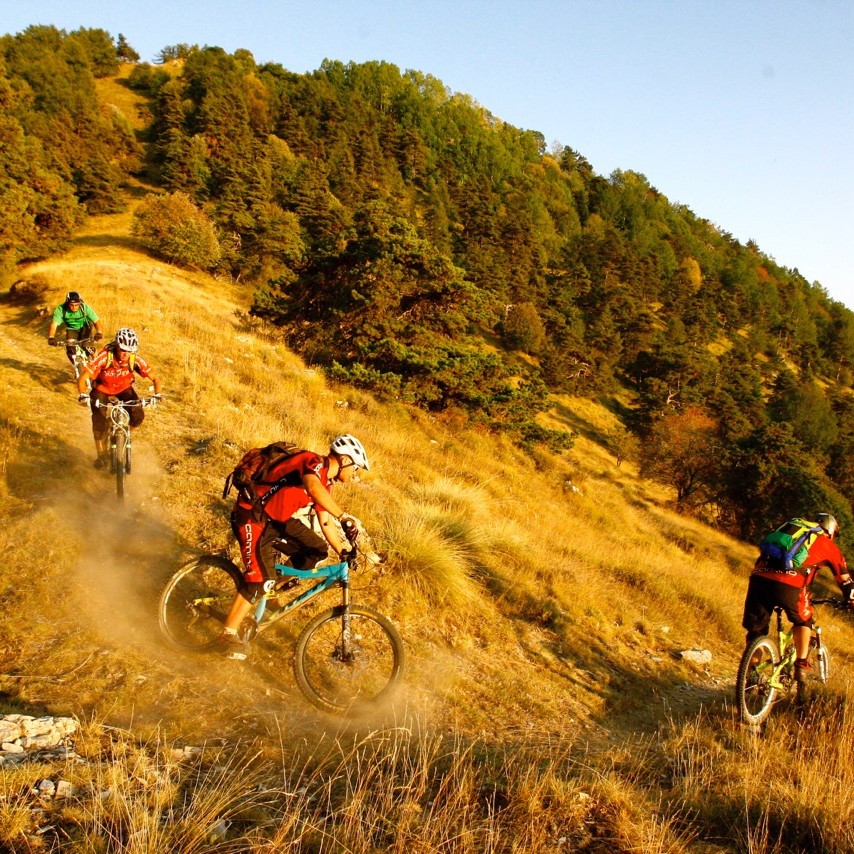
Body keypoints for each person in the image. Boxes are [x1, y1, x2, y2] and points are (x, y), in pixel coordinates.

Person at [216, 434, 370, 660]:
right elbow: (312, 486)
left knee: (316, 550)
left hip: (276, 520)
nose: (355, 474)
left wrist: (343, 551)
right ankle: (227, 633)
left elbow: (325, 522)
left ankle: (272, 589)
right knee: (258, 580)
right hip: (252, 515)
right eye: (356, 468)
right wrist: (344, 516)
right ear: (346, 459)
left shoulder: (327, 484)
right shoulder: (313, 462)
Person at [742, 513, 854, 680]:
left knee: (756, 629)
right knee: (803, 620)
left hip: (759, 578)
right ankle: (801, 666)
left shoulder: (790, 532)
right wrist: (851, 601)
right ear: (830, 531)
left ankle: (751, 674)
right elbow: (845, 582)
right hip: (790, 584)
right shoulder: (827, 545)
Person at [77, 327, 162, 469]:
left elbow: (155, 378)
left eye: (129, 351)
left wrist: (157, 395)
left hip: (124, 389)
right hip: (102, 389)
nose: (125, 354)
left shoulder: (134, 360)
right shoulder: (105, 357)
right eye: (123, 349)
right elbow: (83, 377)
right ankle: (101, 455)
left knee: (138, 415)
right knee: (99, 420)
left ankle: (124, 434)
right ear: (117, 346)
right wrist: (82, 395)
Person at [47, 291, 103, 364]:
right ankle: (78, 366)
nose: (74, 307)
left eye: (77, 305)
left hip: (85, 327)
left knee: (86, 346)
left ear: (80, 303)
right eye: (71, 305)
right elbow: (54, 324)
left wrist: (99, 332)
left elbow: (97, 321)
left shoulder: (85, 308)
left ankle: (97, 363)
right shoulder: (60, 309)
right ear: (67, 303)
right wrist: (51, 337)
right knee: (70, 349)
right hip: (72, 329)